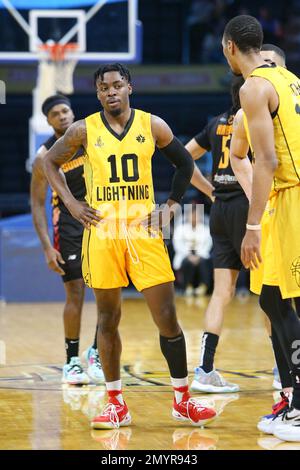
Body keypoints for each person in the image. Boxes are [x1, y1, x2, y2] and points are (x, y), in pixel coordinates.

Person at [43, 63, 217, 429]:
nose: (111, 91)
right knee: (108, 319)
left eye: (117, 85)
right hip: (102, 234)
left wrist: (171, 207)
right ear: (98, 93)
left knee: (167, 317)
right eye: (104, 87)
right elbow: (48, 163)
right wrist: (72, 205)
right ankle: (115, 403)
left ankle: (182, 400)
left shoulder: (153, 124)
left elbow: (185, 162)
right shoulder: (82, 130)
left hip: (144, 231)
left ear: (129, 88)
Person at [222, 15, 300, 442]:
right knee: (272, 299)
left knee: (289, 300)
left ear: (229, 46)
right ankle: (291, 399)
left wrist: (253, 224)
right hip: (285, 199)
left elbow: (267, 160)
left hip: (290, 198)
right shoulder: (290, 78)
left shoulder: (254, 87)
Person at [30, 94, 104, 385]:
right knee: (75, 291)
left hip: (100, 217)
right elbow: (37, 203)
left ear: (73, 113)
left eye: (65, 110)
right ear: (48, 121)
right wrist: (47, 246)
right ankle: (71, 360)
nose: (62, 116)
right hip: (70, 225)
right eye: (55, 114)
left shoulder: (90, 136)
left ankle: (96, 352)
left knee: (106, 289)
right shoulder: (44, 156)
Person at [186, 75, 246, 393]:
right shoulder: (256, 117)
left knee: (222, 292)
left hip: (220, 209)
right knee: (270, 291)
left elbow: (183, 156)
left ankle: (205, 369)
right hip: (246, 206)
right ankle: (283, 372)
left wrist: (209, 190)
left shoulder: (216, 123)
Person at [172, 205, 213, 296]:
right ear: (187, 216)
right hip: (185, 256)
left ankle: (204, 286)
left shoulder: (205, 229)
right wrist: (189, 255)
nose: (194, 217)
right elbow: (177, 245)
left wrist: (198, 255)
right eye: (192, 215)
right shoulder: (180, 229)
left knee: (204, 262)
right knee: (187, 262)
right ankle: (187, 286)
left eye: (197, 215)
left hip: (201, 255)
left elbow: (208, 244)